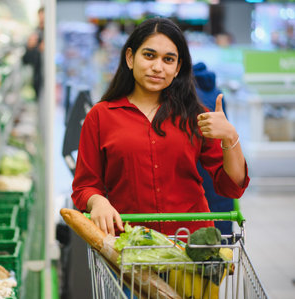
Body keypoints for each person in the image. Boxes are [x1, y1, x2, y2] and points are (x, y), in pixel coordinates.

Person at [71, 18, 249, 237]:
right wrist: (97, 202)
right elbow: (84, 186)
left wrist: (230, 137)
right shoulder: (101, 116)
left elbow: (231, 187)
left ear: (178, 68)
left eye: (168, 59)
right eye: (149, 55)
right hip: (130, 249)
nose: (157, 67)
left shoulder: (195, 114)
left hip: (191, 248)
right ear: (130, 58)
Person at [193, 62, 234, 236]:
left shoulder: (192, 95)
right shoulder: (217, 92)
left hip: (199, 156)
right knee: (220, 204)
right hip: (219, 154)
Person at [22, 6, 44, 99]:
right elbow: (25, 60)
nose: (41, 23)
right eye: (40, 20)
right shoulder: (36, 34)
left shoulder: (52, 35)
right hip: (38, 78)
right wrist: (30, 47)